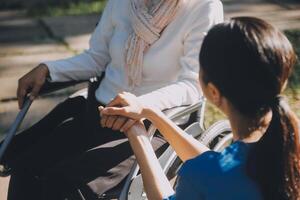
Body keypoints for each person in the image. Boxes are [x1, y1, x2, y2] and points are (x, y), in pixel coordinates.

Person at [0, 0, 223, 199]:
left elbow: (192, 84)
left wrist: (142, 105)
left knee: (66, 183)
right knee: (27, 166)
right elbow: (96, 57)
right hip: (99, 112)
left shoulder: (204, 7)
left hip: (153, 124)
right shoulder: (122, 3)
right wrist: (49, 69)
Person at [100, 17, 300, 199]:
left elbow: (209, 172)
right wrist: (152, 113)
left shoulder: (202, 174)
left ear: (213, 92)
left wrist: (137, 133)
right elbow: (216, 167)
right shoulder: (287, 146)